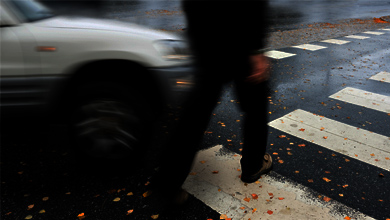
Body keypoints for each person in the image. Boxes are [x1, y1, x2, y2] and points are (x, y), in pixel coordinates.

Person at [152, 0, 273, 206]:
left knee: (195, 113)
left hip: (205, 37)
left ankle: (167, 182)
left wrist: (196, 31)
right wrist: (255, 49)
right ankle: (253, 165)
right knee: (255, 105)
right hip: (239, 38)